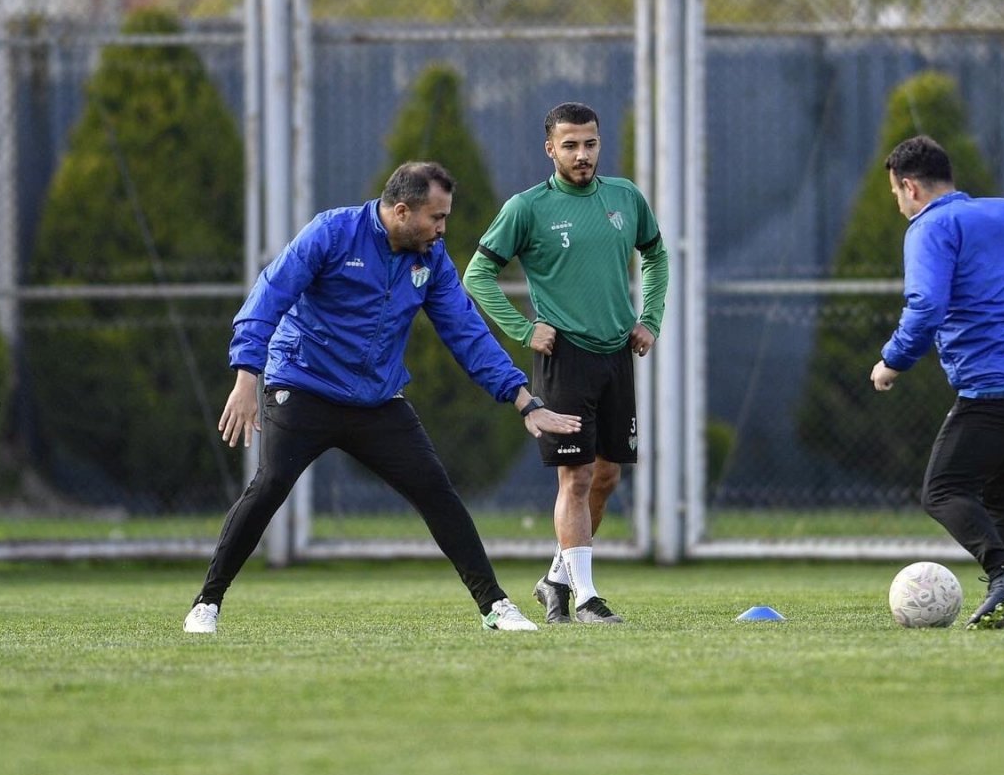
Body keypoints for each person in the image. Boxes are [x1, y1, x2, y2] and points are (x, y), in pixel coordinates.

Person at [182, 161, 581, 636]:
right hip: (303, 385)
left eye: (446, 218)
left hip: (376, 399)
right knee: (269, 487)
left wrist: (524, 401)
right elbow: (269, 295)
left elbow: (466, 332)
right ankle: (207, 603)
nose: (443, 228)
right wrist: (247, 377)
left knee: (437, 492)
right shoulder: (332, 233)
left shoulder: (431, 259)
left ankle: (495, 606)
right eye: (436, 217)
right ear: (401, 211)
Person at [869, 134, 1004, 630]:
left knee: (942, 491)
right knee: (998, 497)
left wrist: (893, 362)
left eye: (895, 194)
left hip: (996, 393)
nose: (899, 204)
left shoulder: (928, 228)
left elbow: (926, 307)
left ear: (909, 187)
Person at [462, 102, 669, 624]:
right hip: (564, 359)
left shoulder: (625, 198)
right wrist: (525, 329)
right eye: (571, 145)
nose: (583, 155)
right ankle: (587, 599)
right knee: (574, 478)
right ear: (550, 148)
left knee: (607, 478)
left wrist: (651, 318)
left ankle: (556, 580)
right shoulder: (526, 208)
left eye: (591, 143)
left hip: (616, 354)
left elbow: (658, 255)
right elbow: (476, 275)